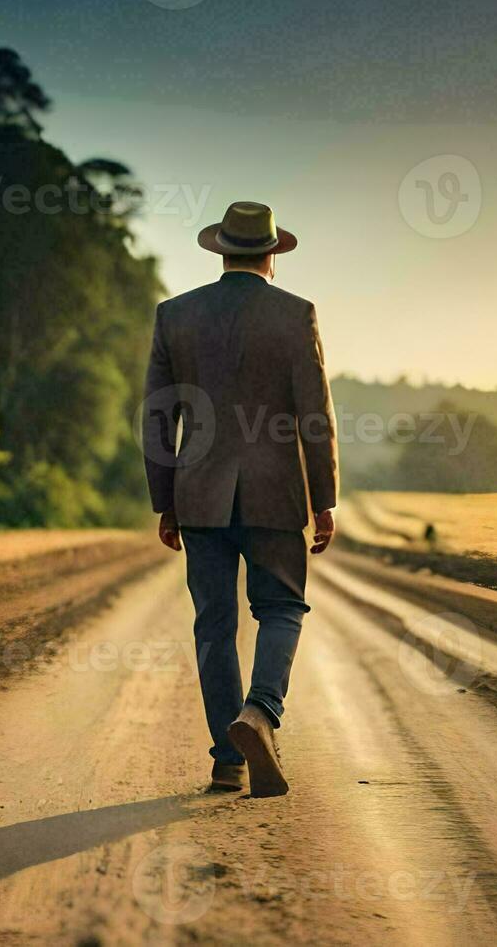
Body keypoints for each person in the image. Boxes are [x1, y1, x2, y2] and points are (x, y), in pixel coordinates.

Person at [142, 201, 338, 798]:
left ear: (221, 250)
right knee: (280, 609)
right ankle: (260, 713)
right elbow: (315, 417)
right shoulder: (296, 314)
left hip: (198, 494)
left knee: (214, 625)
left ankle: (228, 762)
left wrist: (165, 501)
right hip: (278, 495)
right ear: (273, 255)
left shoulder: (175, 315)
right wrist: (323, 498)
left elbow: (158, 417)